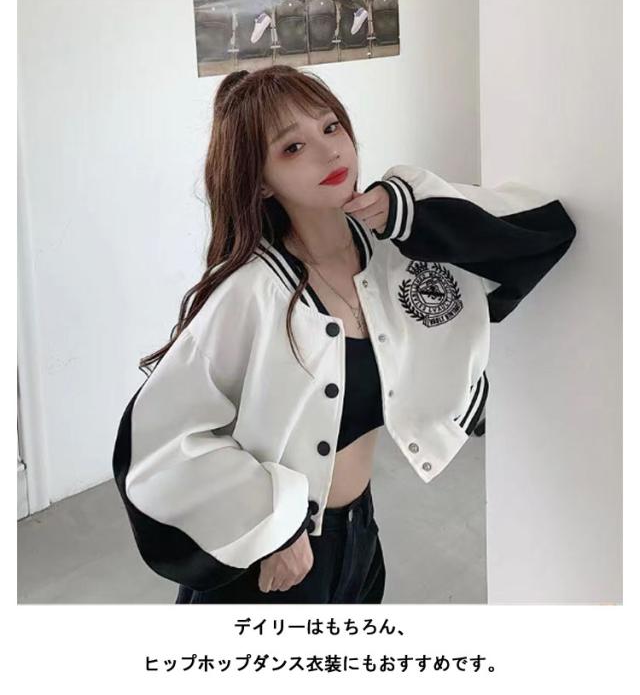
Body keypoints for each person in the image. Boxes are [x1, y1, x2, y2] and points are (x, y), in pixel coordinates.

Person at [112, 64, 577, 604]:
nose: (329, 151)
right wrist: (271, 523)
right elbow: (156, 447)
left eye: (331, 127)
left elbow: (543, 230)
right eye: (293, 147)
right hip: (276, 563)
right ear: (261, 181)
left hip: (361, 537)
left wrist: (415, 215)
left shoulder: (399, 247)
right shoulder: (252, 293)